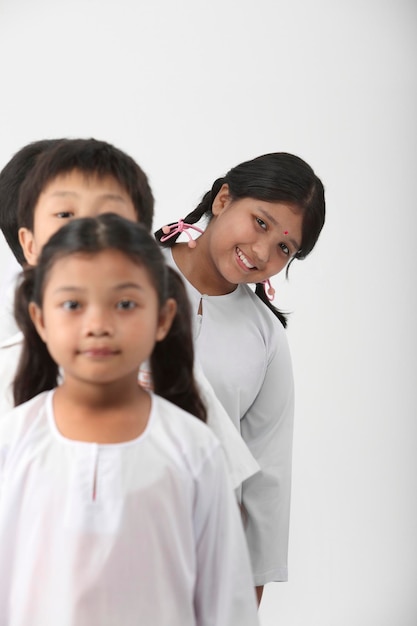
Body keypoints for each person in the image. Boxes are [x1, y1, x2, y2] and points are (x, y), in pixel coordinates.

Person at [0, 214, 259, 626]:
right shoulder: (12, 440)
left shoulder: (194, 447)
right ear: (40, 319)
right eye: (72, 304)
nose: (98, 325)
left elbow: (227, 602)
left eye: (125, 304)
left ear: (162, 318)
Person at [0, 138, 259, 488]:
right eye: (66, 215)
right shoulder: (9, 375)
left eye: (108, 217)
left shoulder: (169, 363)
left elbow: (220, 496)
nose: (90, 234)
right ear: (28, 244)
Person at [155, 151, 326, 603]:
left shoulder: (265, 339)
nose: (263, 253)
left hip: (198, 565)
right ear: (223, 199)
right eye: (261, 223)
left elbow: (267, 479)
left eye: (284, 249)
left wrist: (244, 606)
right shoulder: (125, 273)